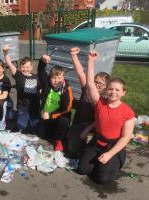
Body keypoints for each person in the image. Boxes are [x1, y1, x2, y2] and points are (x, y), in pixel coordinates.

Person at [77, 51, 135, 185]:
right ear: (106, 90)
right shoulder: (99, 102)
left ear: (123, 93)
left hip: (113, 145)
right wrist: (91, 62)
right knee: (82, 170)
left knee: (102, 180)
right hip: (97, 142)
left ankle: (117, 159)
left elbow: (125, 137)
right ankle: (100, 161)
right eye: (110, 89)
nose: (113, 92)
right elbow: (91, 84)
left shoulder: (128, 112)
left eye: (117, 90)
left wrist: (110, 154)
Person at [65, 47, 110, 158]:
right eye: (96, 82)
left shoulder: (106, 99)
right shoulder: (87, 88)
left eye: (101, 84)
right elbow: (80, 72)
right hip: (79, 124)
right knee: (71, 150)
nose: (98, 85)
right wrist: (74, 56)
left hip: (94, 128)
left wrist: (89, 129)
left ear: (106, 87)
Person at [38, 55, 73, 151]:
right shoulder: (47, 84)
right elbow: (41, 73)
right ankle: (51, 133)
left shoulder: (67, 89)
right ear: (50, 78)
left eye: (59, 78)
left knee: (64, 122)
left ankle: (59, 140)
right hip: (45, 116)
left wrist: (51, 115)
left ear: (63, 77)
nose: (56, 80)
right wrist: (42, 61)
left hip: (58, 117)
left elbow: (68, 108)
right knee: (42, 136)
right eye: (54, 78)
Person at [3, 45, 40, 133]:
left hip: (34, 107)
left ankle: (29, 120)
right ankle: (18, 118)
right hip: (22, 107)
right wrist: (5, 53)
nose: (25, 69)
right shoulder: (18, 75)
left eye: (27, 67)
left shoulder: (36, 77)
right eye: (23, 67)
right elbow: (9, 64)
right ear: (20, 67)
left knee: (34, 129)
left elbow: (40, 89)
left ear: (31, 67)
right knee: (21, 126)